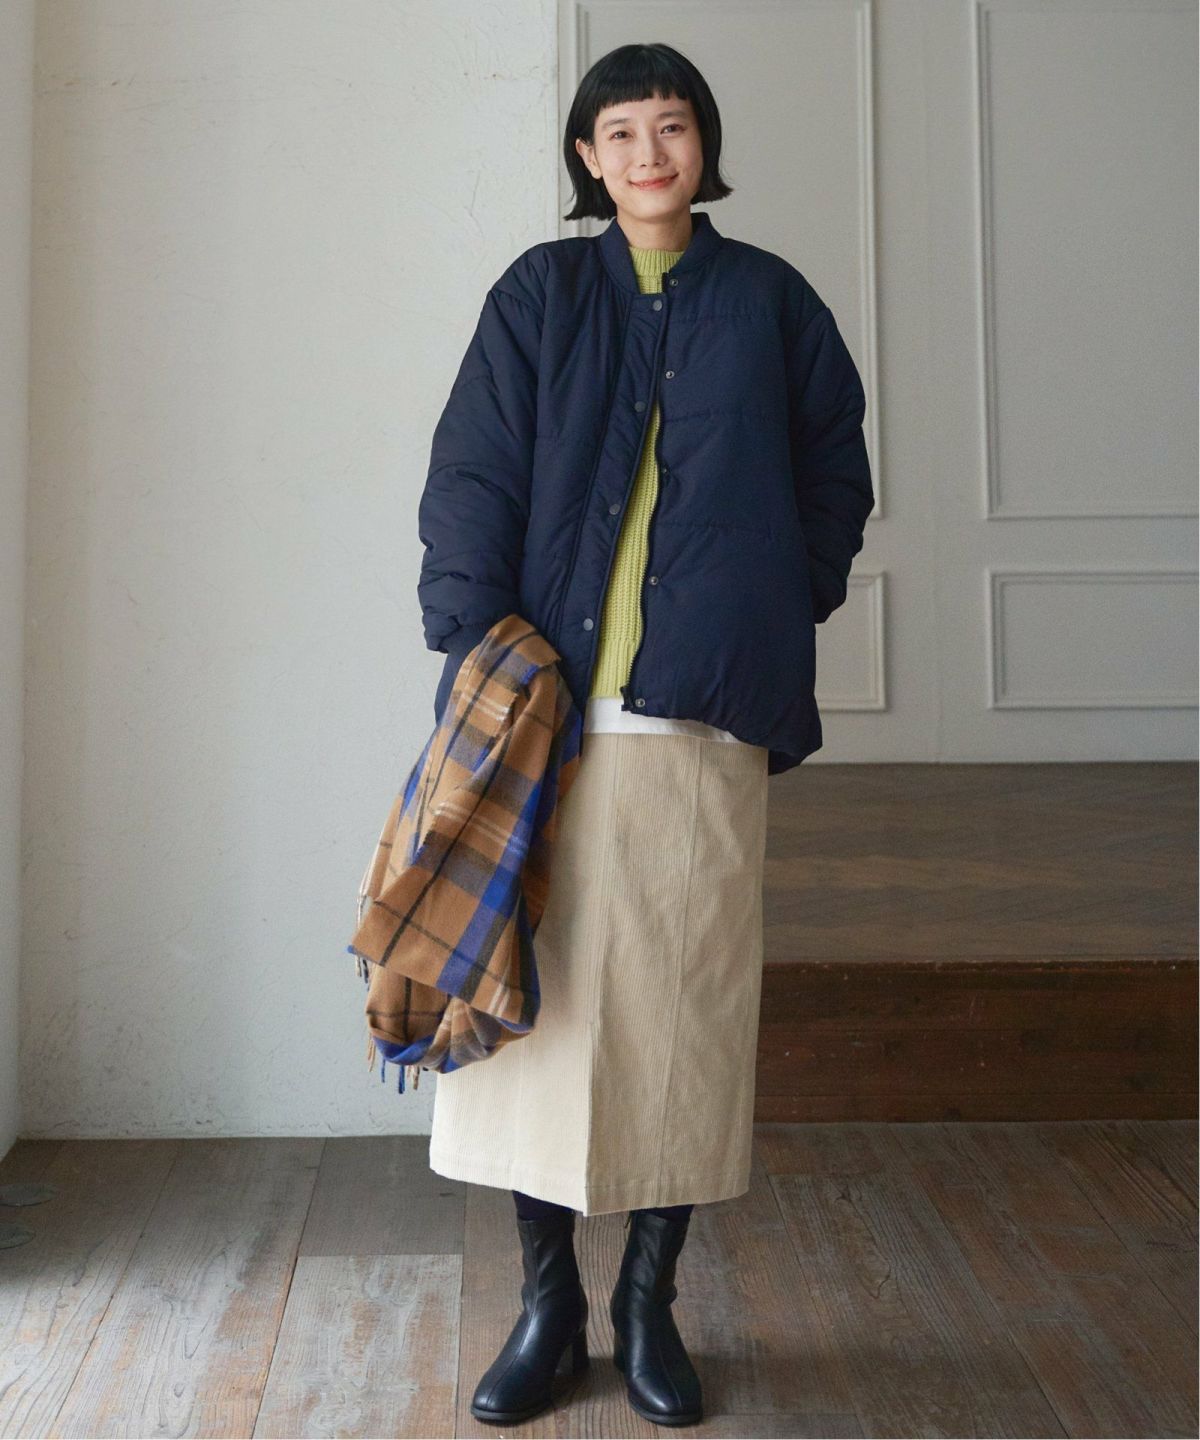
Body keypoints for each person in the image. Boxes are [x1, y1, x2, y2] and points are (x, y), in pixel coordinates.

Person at [414, 41, 873, 1429]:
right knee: (534, 1013)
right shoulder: (541, 295)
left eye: (672, 127)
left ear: (702, 145)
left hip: (702, 712)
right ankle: (548, 1304)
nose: (649, 153)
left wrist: (773, 601)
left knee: (683, 1013)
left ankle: (648, 1303)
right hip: (546, 714)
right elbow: (472, 472)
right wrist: (476, 641)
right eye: (621, 132)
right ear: (587, 156)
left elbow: (835, 471)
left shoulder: (772, 300)